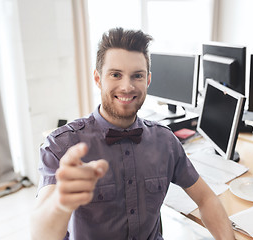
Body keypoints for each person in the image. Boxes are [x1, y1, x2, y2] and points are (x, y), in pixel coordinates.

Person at [31, 27, 235, 240]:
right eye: (115, 75)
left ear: (147, 80)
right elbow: (40, 234)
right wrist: (60, 203)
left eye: (136, 76)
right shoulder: (61, 146)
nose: (127, 86)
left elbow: (207, 199)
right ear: (98, 79)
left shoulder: (165, 141)